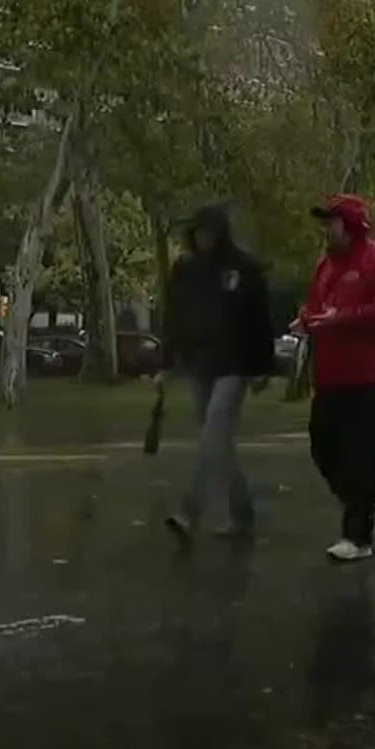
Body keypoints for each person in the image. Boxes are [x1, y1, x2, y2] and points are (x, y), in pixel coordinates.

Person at [296, 194, 375, 562]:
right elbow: (315, 305)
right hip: (331, 374)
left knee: (365, 453)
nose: (327, 229)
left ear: (351, 224)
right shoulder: (324, 267)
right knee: (322, 444)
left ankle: (357, 537)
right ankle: (365, 500)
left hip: (372, 374)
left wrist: (341, 318)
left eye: (333, 222)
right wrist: (307, 320)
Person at [159, 204, 275, 548]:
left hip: (235, 366)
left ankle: (189, 512)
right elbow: (173, 316)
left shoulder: (244, 268)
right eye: (198, 232)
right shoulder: (185, 268)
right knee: (219, 443)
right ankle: (243, 515)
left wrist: (262, 367)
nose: (203, 238)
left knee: (212, 434)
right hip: (200, 364)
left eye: (208, 232)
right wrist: (167, 360)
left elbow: (260, 322)